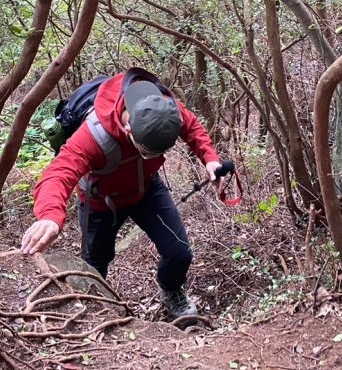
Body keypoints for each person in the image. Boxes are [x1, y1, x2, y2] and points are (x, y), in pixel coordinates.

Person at [20, 70, 225, 318]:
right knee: (95, 266)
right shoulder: (93, 135)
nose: (151, 156)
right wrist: (50, 215)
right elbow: (58, 173)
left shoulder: (162, 106)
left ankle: (172, 291)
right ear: (128, 128)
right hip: (100, 202)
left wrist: (210, 159)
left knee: (179, 252)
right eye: (147, 151)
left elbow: (191, 125)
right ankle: (99, 312)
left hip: (146, 190)